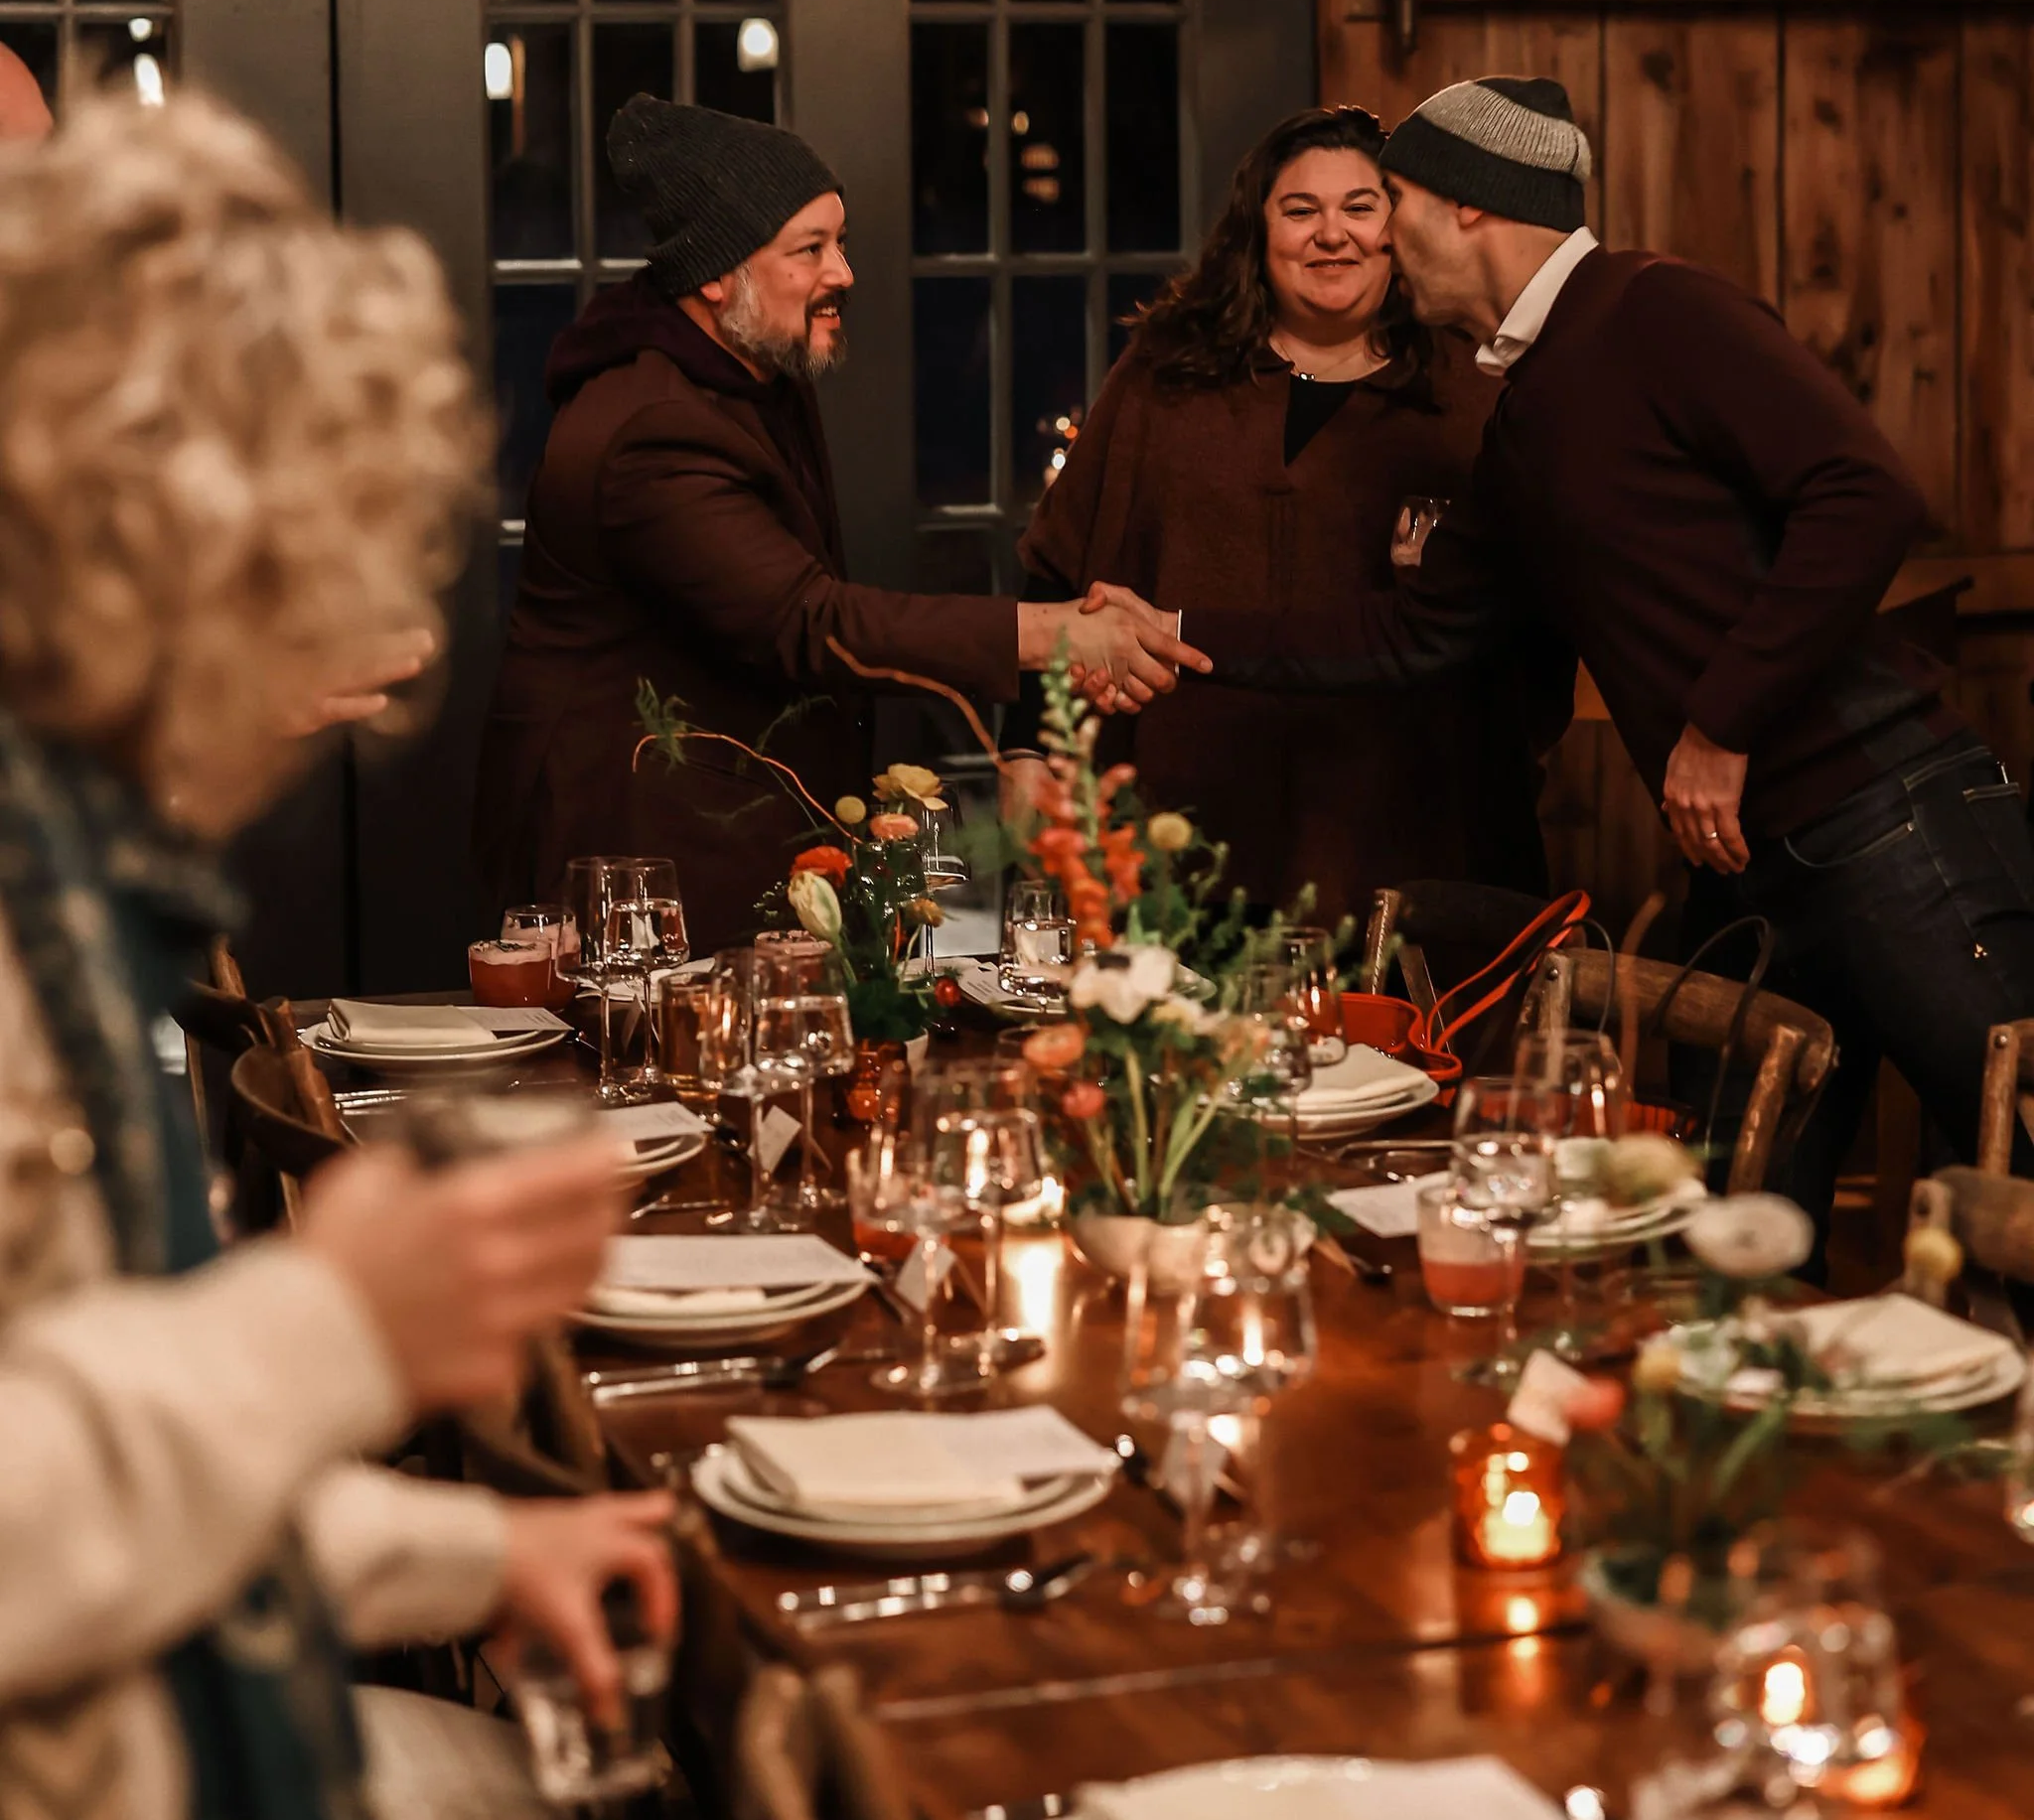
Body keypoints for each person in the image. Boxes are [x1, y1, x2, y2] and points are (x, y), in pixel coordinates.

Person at [0, 90, 672, 1820]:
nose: (333, 693)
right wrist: (331, 1324)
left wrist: (476, 1555)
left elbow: (110, 1455)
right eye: (295, 586)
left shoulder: (71, 891)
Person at [1116, 72, 2034, 1212]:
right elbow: (1413, 632)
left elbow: (1865, 496)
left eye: (1389, 198)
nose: (1378, 233)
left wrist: (1718, 722)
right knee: (1723, 1237)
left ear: (1466, 205)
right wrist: (1175, 630)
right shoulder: (1528, 408)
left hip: (1886, 822)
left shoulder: (1656, 310)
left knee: (2017, 1171)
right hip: (1747, 867)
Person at [477, 96, 1198, 945]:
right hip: (638, 854)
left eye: (840, 242)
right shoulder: (653, 427)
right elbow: (807, 621)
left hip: (719, 827)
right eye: (809, 249)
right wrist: (1055, 636)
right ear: (716, 274)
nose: (844, 272)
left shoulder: (750, 372)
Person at [1019, 106, 1557, 920]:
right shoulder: (1166, 377)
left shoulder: (1475, 392)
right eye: (1299, 210)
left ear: (1399, 231)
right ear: (1256, 232)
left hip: (1411, 821)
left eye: (1360, 207)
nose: (1329, 234)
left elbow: (1542, 613)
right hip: (1184, 816)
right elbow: (1056, 569)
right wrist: (1029, 747)